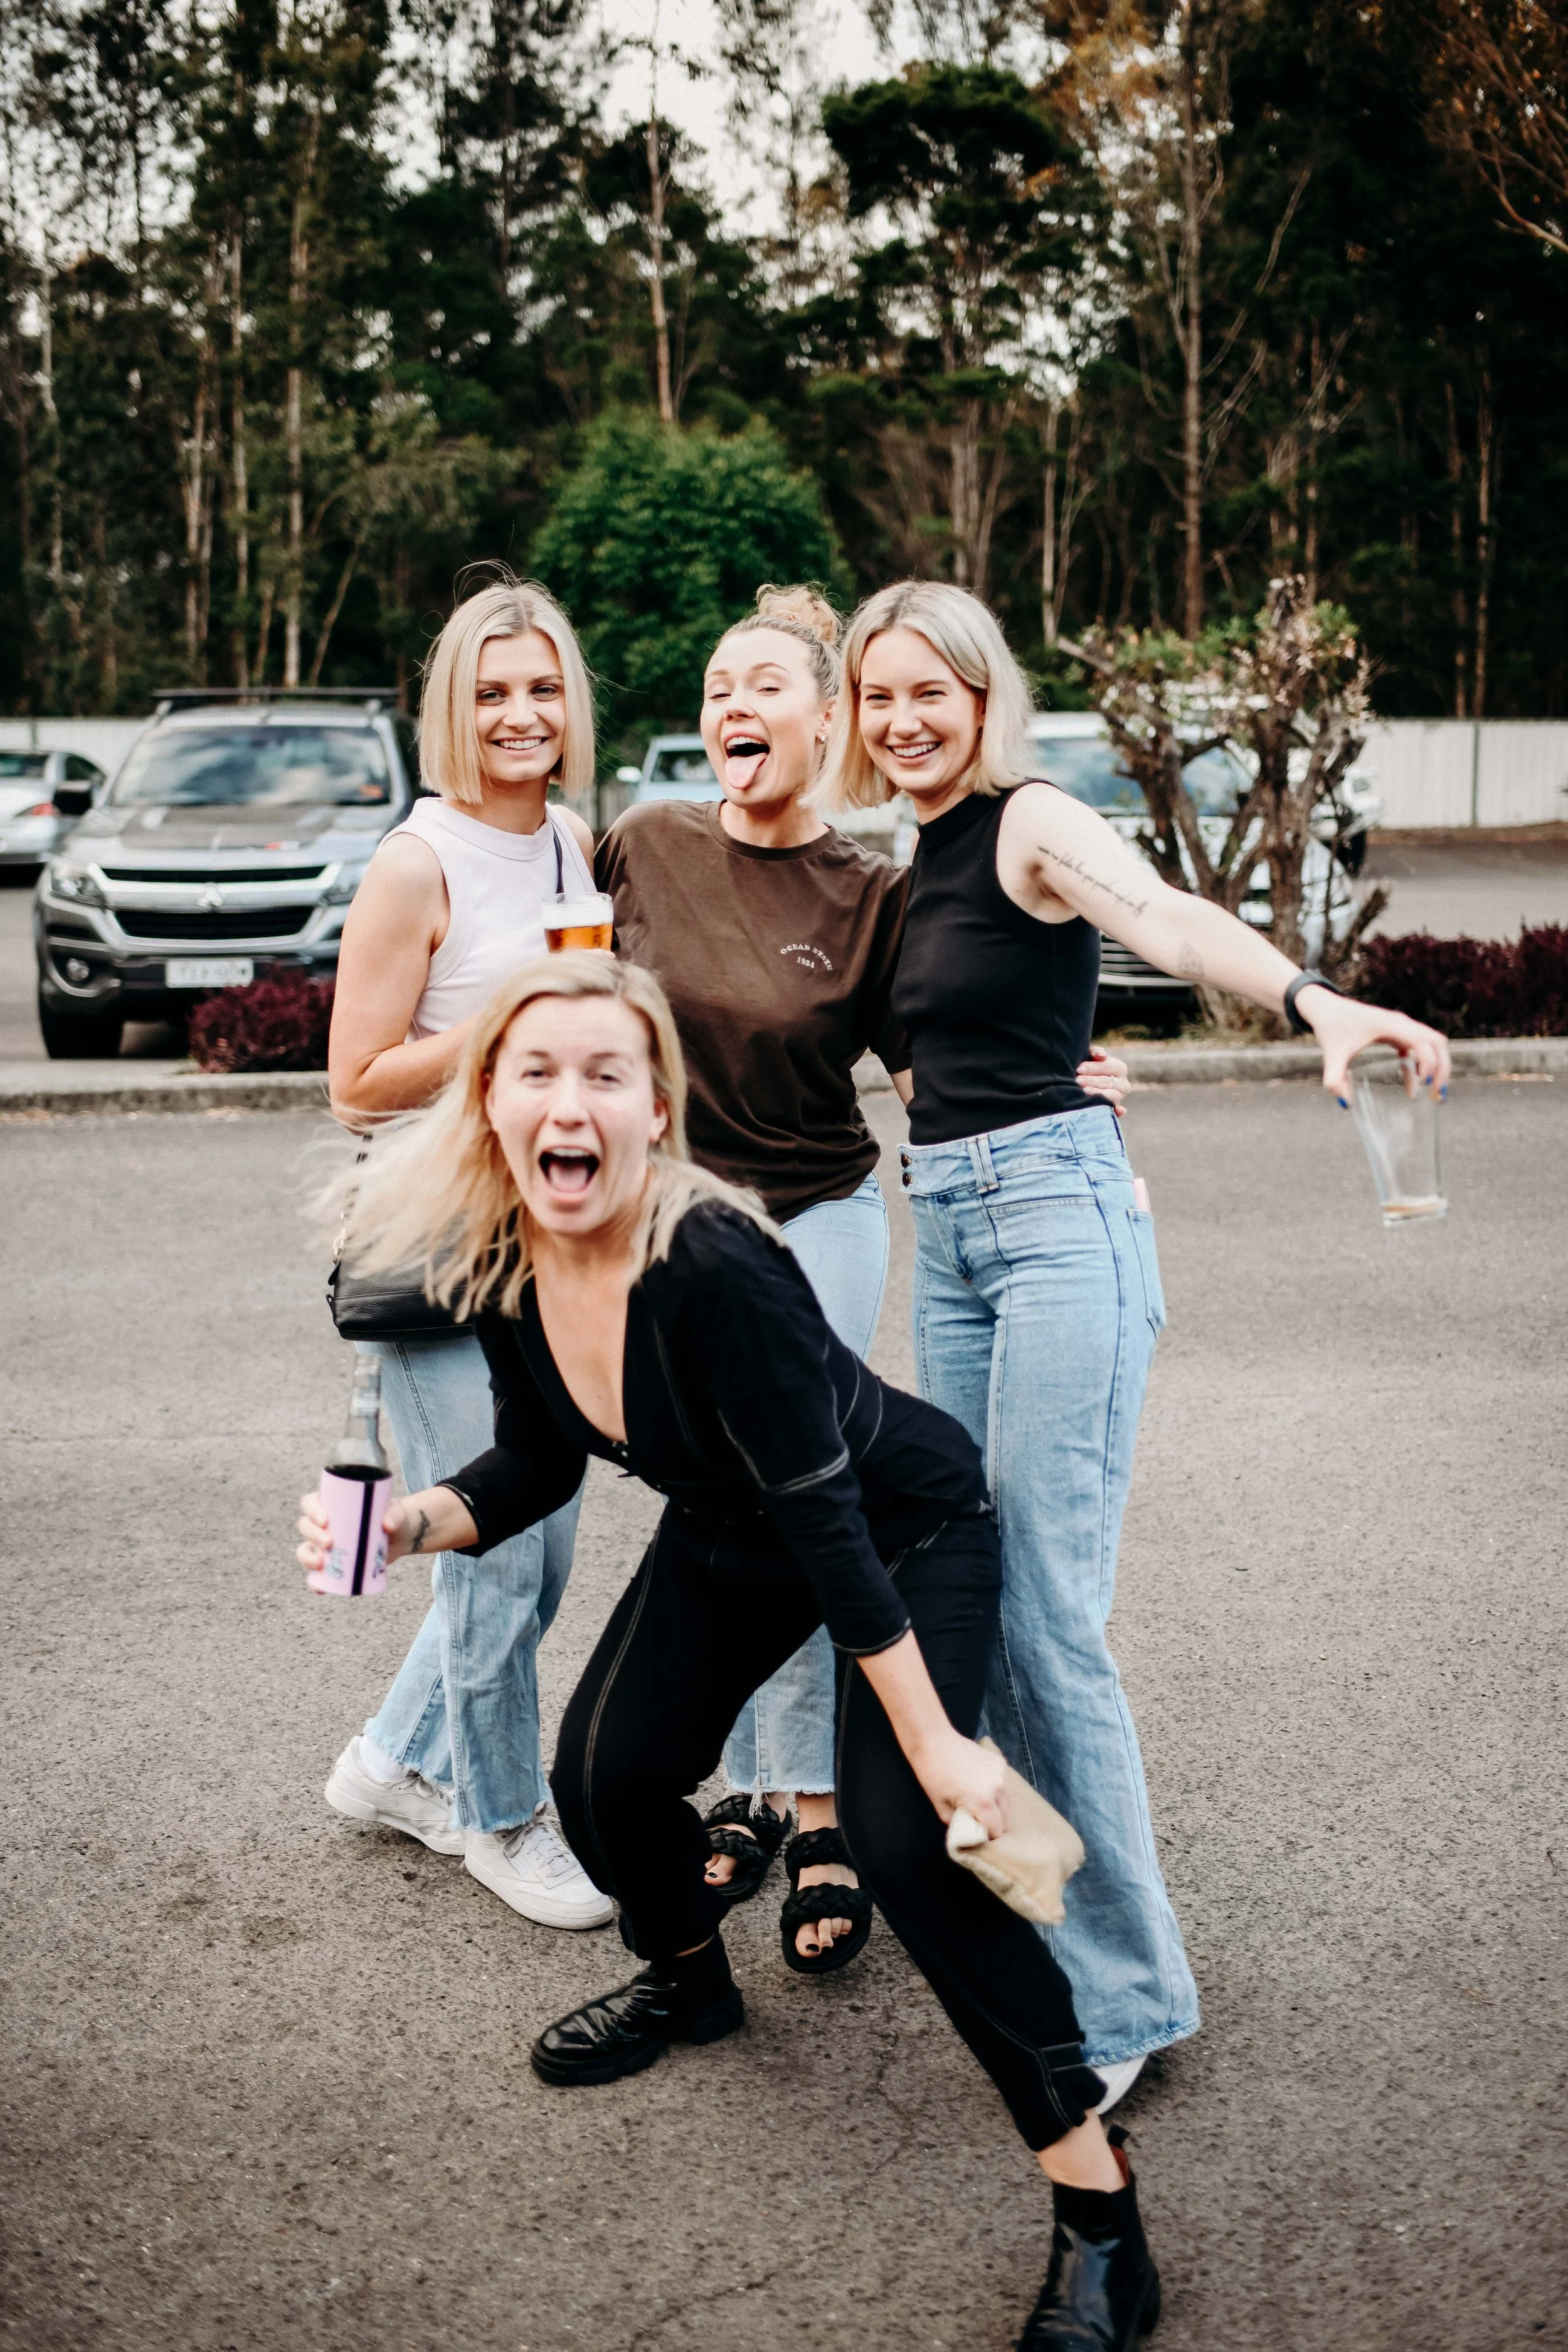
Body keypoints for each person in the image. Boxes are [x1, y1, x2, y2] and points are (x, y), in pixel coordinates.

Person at [298, 952, 1165, 2350]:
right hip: (732, 1522)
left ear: (654, 1110)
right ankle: (689, 1981)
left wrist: (941, 1751)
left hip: (899, 1526)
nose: (568, 1101)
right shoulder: (506, 1258)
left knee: (907, 1851)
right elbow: (534, 1455)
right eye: (536, 1071)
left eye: (604, 1074)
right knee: (605, 1777)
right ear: (490, 1104)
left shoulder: (712, 1268)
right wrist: (409, 1525)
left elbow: (832, 1529)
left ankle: (1099, 2216)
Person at [815, 577, 1451, 2108]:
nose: (903, 721)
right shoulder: (919, 856)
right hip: (958, 1232)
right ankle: (1045, 1909)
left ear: (982, 702)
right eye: (878, 696)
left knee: (1043, 1608)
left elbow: (1152, 913)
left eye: (931, 694)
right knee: (974, 1572)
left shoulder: (1030, 818)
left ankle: (1122, 1999)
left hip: (1050, 1230)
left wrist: (1306, 996)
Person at [596, 582, 1129, 1971]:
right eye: (714, 688)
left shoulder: (871, 889)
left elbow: (931, 1063)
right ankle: (766, 1786)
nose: (729, 708)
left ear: (823, 720)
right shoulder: (641, 844)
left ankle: (824, 1816)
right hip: (668, 1237)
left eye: (760, 686)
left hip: (814, 1216)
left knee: (803, 1502)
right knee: (723, 1512)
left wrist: (1062, 1091)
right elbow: (556, 1005)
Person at [320, 573, 611, 1932]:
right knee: (497, 1556)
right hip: (437, 1246)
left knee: (540, 1547)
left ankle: (389, 1762)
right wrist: (505, 1011)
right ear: (453, 708)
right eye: (491, 692)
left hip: (548, 1240)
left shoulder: (572, 845)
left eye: (541, 687)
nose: (519, 712)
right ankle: (503, 1818)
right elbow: (355, 1078)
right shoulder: (415, 860)